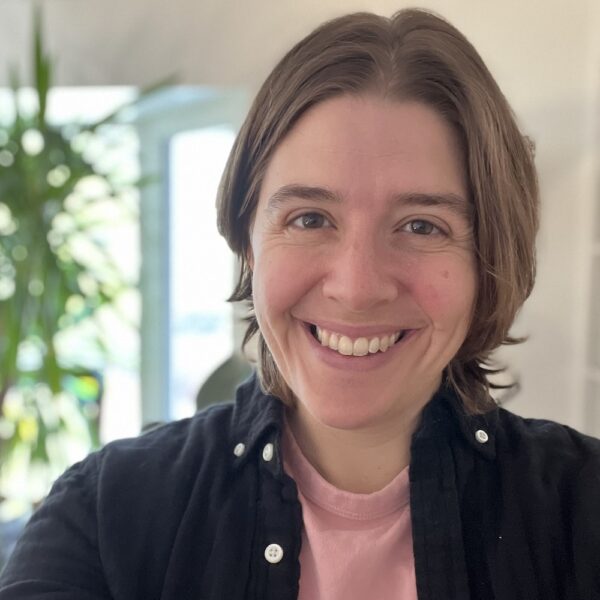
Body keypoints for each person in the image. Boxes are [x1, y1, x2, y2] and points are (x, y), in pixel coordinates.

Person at [1, 8, 599, 600]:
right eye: (309, 218)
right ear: (249, 242)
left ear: (490, 258)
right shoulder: (105, 516)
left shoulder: (584, 511)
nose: (357, 287)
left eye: (422, 226)